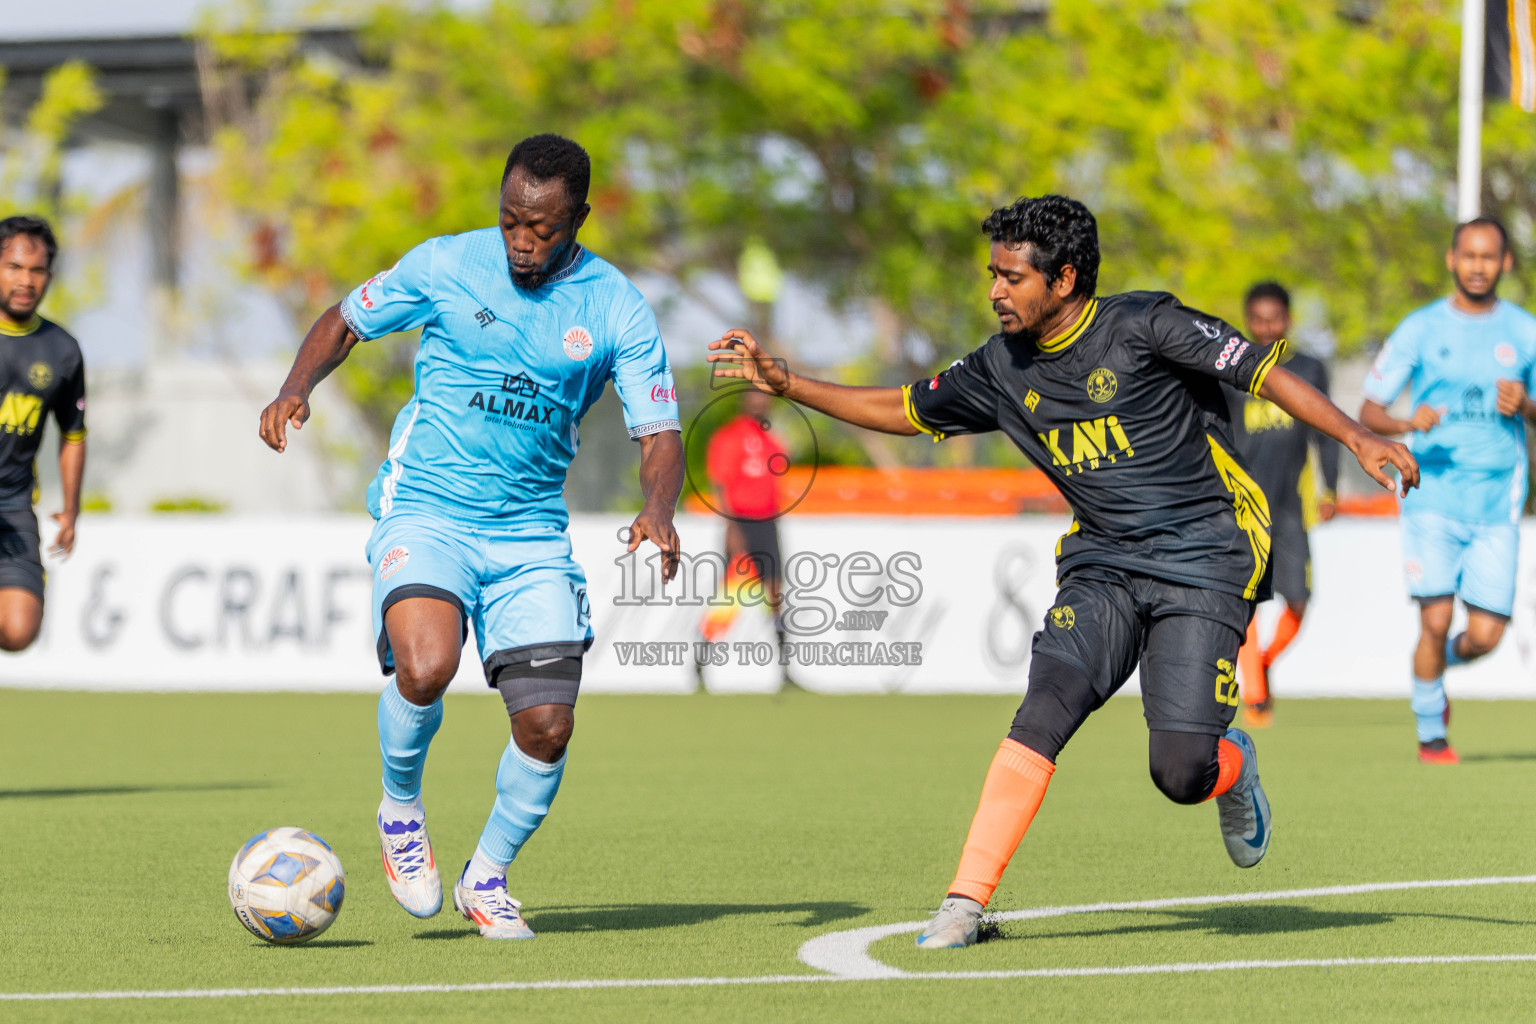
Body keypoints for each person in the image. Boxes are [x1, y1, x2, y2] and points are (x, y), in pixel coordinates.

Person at [709, 195, 1417, 949]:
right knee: (1045, 705)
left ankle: (1234, 765)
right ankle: (963, 901)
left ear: (1065, 276)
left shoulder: (1147, 324)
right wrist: (788, 382)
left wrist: (1357, 435)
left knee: (1180, 771)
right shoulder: (1000, 366)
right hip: (1102, 562)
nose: (995, 291)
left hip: (1205, 554)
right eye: (993, 274)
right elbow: (904, 407)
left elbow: (1265, 375)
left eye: (1012, 277)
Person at [259, 134, 684, 939]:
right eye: (510, 220)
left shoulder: (616, 306)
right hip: (428, 508)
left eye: (542, 229)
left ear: (578, 220)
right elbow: (348, 320)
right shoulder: (447, 265)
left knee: (548, 727)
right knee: (426, 665)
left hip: (529, 537)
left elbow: (658, 431)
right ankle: (400, 808)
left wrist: (658, 510)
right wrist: (294, 389)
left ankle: (486, 877)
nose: (521, 241)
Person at [1359, 217, 1536, 765]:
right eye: (1469, 256)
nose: (1478, 266)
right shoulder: (1421, 328)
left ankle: (1439, 668)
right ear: (1451, 260)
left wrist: (1525, 406)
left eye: (1489, 257)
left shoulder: (1525, 330)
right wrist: (1409, 420)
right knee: (1434, 619)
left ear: (1505, 263)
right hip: (1428, 491)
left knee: (1484, 635)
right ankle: (1431, 731)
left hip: (1496, 499)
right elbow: (1367, 412)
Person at [1223, 282, 1339, 727]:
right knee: (1247, 603)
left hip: (1292, 508)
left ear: (1287, 320)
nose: (1267, 327)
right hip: (1242, 505)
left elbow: (1326, 430)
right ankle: (1255, 692)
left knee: (1298, 601)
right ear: (1249, 320)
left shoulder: (1308, 370)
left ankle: (1264, 663)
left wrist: (1330, 488)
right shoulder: (1232, 369)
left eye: (1275, 319)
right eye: (1259, 319)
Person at [0, 215, 86, 651]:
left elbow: (73, 433)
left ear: (48, 277)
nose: (25, 281)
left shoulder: (62, 350)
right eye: (14, 267)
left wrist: (71, 509)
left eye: (36, 271)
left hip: (12, 506)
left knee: (19, 631)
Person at [697, 387, 794, 688]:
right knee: (730, 596)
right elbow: (721, 485)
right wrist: (731, 527)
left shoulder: (770, 438)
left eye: (765, 398)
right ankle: (699, 663)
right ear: (745, 402)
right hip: (741, 522)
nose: (761, 402)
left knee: (775, 593)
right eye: (755, 397)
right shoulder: (729, 437)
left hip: (768, 522)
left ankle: (785, 670)